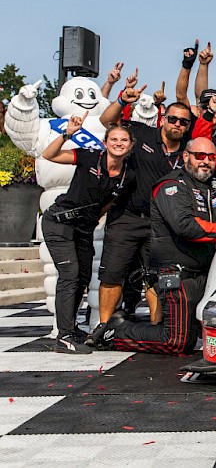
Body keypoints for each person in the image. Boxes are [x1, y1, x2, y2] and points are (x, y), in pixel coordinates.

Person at [97, 137, 216, 354]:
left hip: (205, 272)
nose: (206, 162)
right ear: (186, 157)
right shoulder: (171, 185)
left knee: (198, 337)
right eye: (200, 156)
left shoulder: (214, 185)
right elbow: (186, 226)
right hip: (176, 272)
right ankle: (114, 331)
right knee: (176, 342)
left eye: (211, 157)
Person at [97, 88, 194, 332]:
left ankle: (157, 328)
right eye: (173, 119)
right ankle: (102, 328)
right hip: (127, 216)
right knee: (112, 274)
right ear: (163, 119)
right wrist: (122, 100)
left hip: (161, 224)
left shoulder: (189, 151)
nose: (177, 124)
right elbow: (107, 121)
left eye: (183, 122)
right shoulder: (141, 133)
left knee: (156, 278)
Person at [41, 117, 136, 353]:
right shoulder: (90, 157)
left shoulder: (128, 175)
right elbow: (49, 155)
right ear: (105, 142)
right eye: (114, 139)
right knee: (70, 275)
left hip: (84, 228)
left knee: (83, 278)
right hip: (59, 222)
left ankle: (71, 328)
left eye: (124, 140)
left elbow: (109, 202)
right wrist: (67, 134)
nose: (119, 143)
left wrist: (94, 220)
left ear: (131, 145)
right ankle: (63, 336)